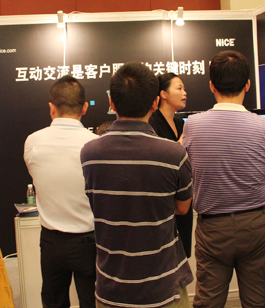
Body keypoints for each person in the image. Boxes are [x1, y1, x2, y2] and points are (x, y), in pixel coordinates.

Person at [81, 62, 194, 308]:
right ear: (155, 102)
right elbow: (183, 208)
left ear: (111, 103)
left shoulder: (89, 153)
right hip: (163, 288)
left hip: (110, 288)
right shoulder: (174, 154)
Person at [183, 50, 265, 308]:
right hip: (256, 222)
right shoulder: (264, 125)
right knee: (259, 301)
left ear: (211, 85)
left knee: (209, 301)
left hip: (213, 227)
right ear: (247, 85)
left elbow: (189, 166)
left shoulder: (192, 124)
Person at [23, 75, 98, 308]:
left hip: (51, 242)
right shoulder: (96, 144)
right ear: (84, 107)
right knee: (92, 302)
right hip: (89, 241)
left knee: (53, 302)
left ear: (51, 108)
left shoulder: (32, 142)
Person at [149, 73, 193, 258]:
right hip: (163, 206)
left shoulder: (180, 122)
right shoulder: (152, 123)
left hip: (183, 200)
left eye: (184, 89)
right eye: (179, 88)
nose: (184, 93)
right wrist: (179, 145)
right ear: (163, 94)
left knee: (181, 258)